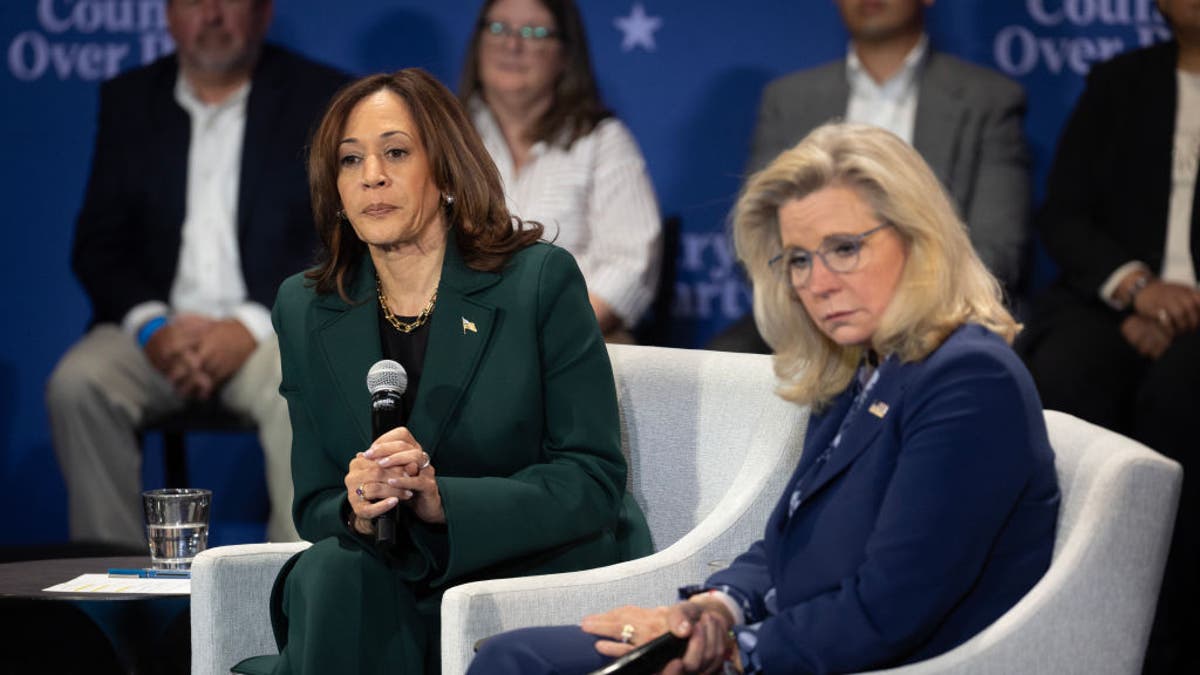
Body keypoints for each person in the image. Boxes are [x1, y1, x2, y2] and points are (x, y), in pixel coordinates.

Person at [469, 123, 1059, 674]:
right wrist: (713, 611)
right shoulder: (863, 365)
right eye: (799, 259)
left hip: (859, 660)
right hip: (792, 640)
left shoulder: (969, 381)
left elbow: (890, 609)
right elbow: (792, 546)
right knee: (512, 653)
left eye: (845, 248)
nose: (817, 282)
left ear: (919, 238)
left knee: (519, 662)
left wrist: (733, 652)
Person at [229, 68, 651, 675]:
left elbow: (591, 480)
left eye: (395, 152)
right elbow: (315, 502)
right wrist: (356, 505)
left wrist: (440, 502)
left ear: (448, 172)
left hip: (518, 566)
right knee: (334, 569)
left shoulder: (537, 282)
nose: (371, 175)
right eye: (350, 161)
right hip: (380, 575)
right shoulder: (307, 306)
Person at [46, 0, 349, 546]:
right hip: (157, 334)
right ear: (167, 15)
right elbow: (99, 245)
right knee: (78, 384)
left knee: (306, 377)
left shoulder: (319, 96)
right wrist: (150, 327)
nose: (211, 15)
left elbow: (332, 234)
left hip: (270, 329)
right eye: (192, 0)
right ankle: (110, 600)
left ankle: (293, 591)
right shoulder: (129, 99)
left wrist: (252, 323)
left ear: (263, 13)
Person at [1019, 2, 1200, 671]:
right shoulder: (1121, 81)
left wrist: (1184, 311)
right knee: (1066, 371)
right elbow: (1064, 215)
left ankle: (1170, 633)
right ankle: (1059, 600)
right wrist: (1136, 291)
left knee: (1181, 394)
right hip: (1114, 301)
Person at [710, 0, 1030, 353]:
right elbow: (760, 244)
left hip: (938, 313)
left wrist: (901, 311)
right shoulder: (788, 99)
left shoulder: (988, 98)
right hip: (811, 320)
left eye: (846, 247)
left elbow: (997, 248)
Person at [460, 0, 662, 342]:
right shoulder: (444, 139)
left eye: (534, 32)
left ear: (565, 55)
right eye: (498, 28)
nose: (512, 45)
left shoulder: (601, 140)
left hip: (568, 339)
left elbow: (630, 265)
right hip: (461, 336)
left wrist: (546, 335)